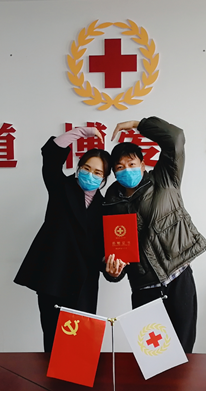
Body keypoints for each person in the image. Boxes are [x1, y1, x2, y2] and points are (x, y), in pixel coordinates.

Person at [103, 116, 206, 353]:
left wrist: (138, 124)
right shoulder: (109, 206)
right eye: (119, 167)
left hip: (179, 279)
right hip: (144, 288)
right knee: (152, 356)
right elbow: (110, 254)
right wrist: (111, 271)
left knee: (183, 352)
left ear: (143, 164)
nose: (127, 170)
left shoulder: (165, 178)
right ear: (114, 173)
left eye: (132, 164)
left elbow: (175, 138)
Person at [14, 126, 126, 352]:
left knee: (80, 350)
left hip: (84, 285)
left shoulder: (107, 208)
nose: (90, 175)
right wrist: (82, 132)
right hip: (53, 279)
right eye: (86, 168)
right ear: (78, 168)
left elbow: (108, 253)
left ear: (104, 179)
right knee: (53, 344)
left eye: (98, 173)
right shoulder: (60, 187)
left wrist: (114, 271)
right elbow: (51, 154)